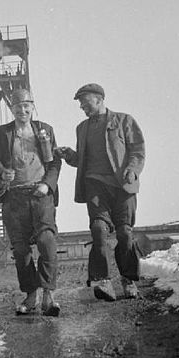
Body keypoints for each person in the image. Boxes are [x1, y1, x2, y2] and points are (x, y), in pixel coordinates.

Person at [56, 83, 145, 301]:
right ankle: (103, 281)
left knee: (124, 233)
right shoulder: (82, 128)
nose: (82, 107)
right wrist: (69, 155)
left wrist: (133, 171)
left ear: (99, 99)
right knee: (98, 228)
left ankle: (128, 279)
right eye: (80, 103)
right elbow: (82, 161)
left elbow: (137, 150)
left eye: (84, 101)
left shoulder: (124, 120)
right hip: (95, 185)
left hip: (122, 185)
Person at [0, 88, 62, 316]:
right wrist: (2, 173)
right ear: (12, 109)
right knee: (21, 248)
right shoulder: (3, 133)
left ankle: (49, 294)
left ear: (32, 106)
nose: (23, 110)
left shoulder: (44, 130)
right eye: (18, 106)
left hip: (40, 194)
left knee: (46, 239)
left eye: (27, 105)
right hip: (14, 196)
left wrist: (47, 184)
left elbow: (54, 163)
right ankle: (31, 295)